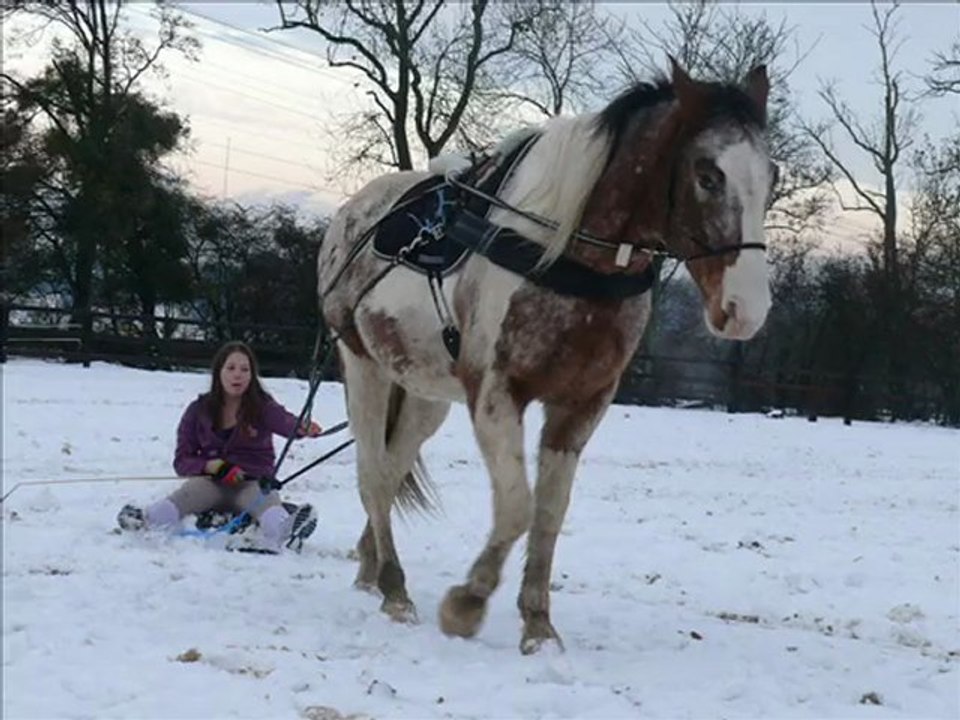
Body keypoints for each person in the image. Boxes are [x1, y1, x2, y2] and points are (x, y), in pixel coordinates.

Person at [117, 341, 322, 553]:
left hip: (251, 485)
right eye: (231, 368)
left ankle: (289, 529)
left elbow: (285, 422)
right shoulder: (197, 410)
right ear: (219, 372)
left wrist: (302, 427)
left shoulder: (262, 406)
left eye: (245, 369)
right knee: (176, 503)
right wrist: (211, 466)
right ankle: (142, 519)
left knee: (270, 512)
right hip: (211, 484)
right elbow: (182, 460)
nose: (238, 375)